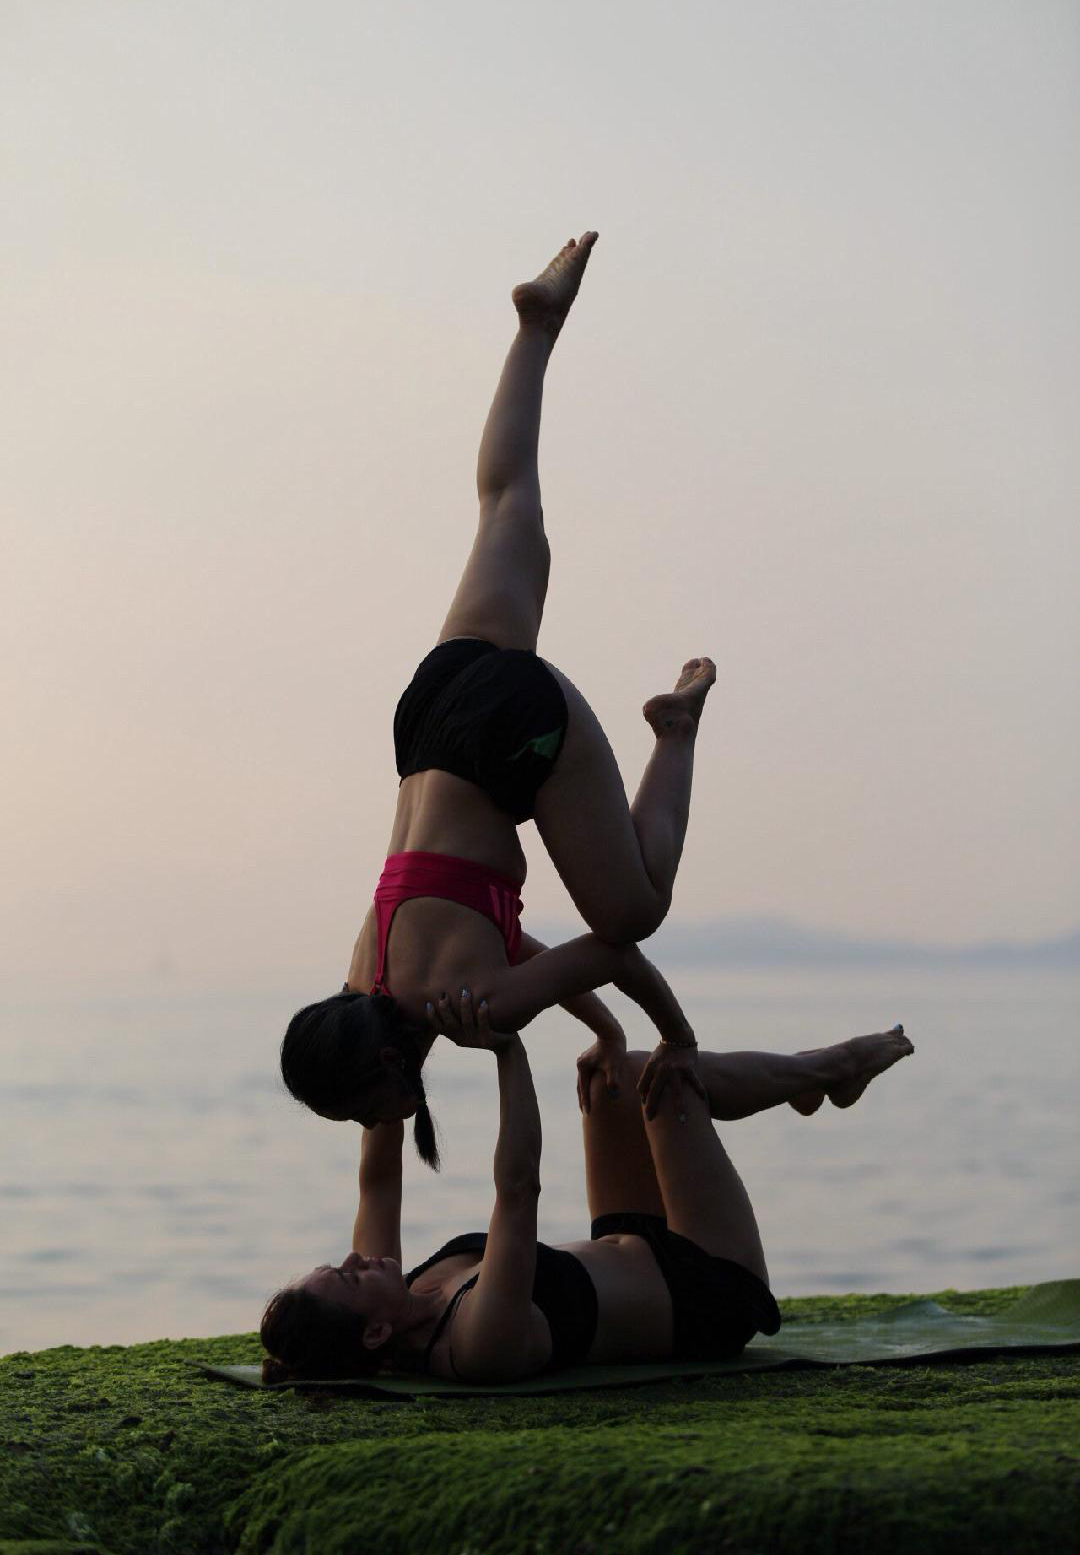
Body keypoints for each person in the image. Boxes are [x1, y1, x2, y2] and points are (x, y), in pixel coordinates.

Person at [281, 232, 718, 1161]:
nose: (374, 1124)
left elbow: (605, 955)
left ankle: (673, 735)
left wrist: (674, 1042)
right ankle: (535, 328)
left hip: (512, 727)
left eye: (364, 1112)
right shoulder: (370, 975)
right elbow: (529, 960)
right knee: (507, 505)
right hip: (433, 717)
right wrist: (601, 1033)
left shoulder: (465, 1005)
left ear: (388, 1073)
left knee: (632, 911)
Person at [260, 1005, 913, 1384]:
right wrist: (505, 1047)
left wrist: (373, 1019)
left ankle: (801, 1085)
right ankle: (831, 1070)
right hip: (708, 1287)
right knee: (668, 1082)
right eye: (346, 1279)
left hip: (624, 1238)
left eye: (337, 1264)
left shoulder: (397, 1288)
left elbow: (378, 1177)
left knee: (613, 1078)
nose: (354, 1260)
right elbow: (518, 1190)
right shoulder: (475, 1343)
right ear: (374, 1332)